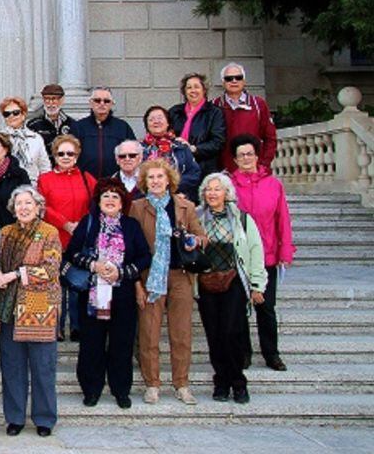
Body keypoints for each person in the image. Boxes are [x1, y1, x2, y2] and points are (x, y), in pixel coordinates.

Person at [65, 179, 151, 409]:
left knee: (121, 344)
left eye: (116, 196)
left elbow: (144, 256)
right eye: (106, 196)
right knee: (91, 344)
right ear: (98, 201)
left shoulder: (131, 226)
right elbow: (72, 253)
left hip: (122, 295)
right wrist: (94, 265)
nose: (111, 200)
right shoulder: (89, 223)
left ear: (123, 202)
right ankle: (91, 390)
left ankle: (121, 390)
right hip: (92, 295)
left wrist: (122, 272)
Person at [129, 159, 207, 406]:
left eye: (159, 177)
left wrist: (194, 240)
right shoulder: (137, 207)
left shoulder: (185, 206)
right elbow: (130, 248)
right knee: (149, 333)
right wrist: (136, 284)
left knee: (181, 333)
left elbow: (203, 237)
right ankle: (152, 383)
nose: (155, 182)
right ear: (144, 181)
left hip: (180, 275)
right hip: (150, 276)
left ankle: (181, 383)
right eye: (150, 178)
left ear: (169, 180)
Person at [0, 185, 62, 436]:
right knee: (12, 367)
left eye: (28, 203)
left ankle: (44, 419)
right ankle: (15, 418)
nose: (23, 207)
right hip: (8, 309)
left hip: (38, 309)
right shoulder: (5, 232)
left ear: (38, 207)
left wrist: (15, 274)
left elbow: (51, 269)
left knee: (43, 367)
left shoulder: (49, 232)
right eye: (19, 203)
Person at [196, 173, 268, 404]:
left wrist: (257, 284)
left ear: (227, 193)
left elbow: (255, 251)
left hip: (234, 281)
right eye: (209, 189)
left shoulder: (242, 219)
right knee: (214, 334)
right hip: (206, 282)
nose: (213, 193)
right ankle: (221, 382)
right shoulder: (196, 218)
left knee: (232, 332)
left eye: (218, 189)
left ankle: (238, 382)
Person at [230, 134, 294, 372]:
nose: (246, 158)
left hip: (267, 254)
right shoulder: (230, 185)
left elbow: (283, 219)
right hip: (239, 256)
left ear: (257, 156)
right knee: (239, 308)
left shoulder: (273, 184)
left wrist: (285, 250)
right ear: (235, 160)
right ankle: (244, 352)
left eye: (250, 154)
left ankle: (271, 353)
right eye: (241, 155)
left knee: (266, 307)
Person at [38, 135, 97, 341]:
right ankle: (56, 327)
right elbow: (42, 206)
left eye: (69, 153)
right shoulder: (45, 179)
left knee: (76, 283)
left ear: (77, 155)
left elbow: (96, 204)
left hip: (79, 240)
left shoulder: (86, 178)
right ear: (54, 155)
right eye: (60, 153)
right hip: (55, 237)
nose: (65, 157)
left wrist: (80, 226)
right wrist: (65, 223)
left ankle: (77, 326)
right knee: (55, 284)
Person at [213, 63, 278, 173]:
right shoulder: (215, 105)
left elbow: (270, 138)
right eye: (229, 78)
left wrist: (263, 165)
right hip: (225, 173)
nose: (234, 81)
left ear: (244, 81)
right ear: (223, 83)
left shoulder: (258, 104)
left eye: (238, 78)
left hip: (254, 170)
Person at [168, 73, 226, 179]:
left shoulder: (214, 112)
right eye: (189, 87)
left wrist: (194, 149)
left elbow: (217, 142)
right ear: (184, 92)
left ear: (204, 90)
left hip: (203, 168)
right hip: (176, 168)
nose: (193, 90)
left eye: (196, 87)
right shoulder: (174, 111)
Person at [70, 87, 136, 180]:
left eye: (106, 101)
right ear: (90, 103)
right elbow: (70, 155)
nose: (102, 104)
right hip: (84, 182)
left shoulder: (122, 127)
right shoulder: (78, 127)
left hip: (115, 182)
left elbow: (134, 154)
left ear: (112, 104)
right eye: (97, 100)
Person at [141, 106, 201, 201]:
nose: (156, 121)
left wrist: (171, 185)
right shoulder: (139, 149)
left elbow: (194, 174)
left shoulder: (180, 146)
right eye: (151, 119)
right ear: (147, 125)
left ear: (168, 122)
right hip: (147, 199)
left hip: (178, 197)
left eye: (160, 118)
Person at [0, 97, 51, 184]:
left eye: (16, 113)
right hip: (6, 187)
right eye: (6, 114)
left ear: (23, 114)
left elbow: (45, 167)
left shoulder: (36, 138)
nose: (11, 116)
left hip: (32, 187)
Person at [27, 83, 74, 166]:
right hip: (44, 171)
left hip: (66, 170)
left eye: (54, 99)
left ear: (62, 100)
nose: (50, 103)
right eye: (47, 99)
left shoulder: (72, 124)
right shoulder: (33, 125)